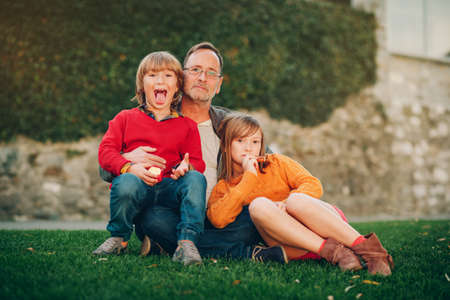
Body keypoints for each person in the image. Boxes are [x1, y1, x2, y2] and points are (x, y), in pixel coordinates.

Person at [101, 42, 287, 263]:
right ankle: (247, 253)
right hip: (172, 212)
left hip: (225, 214)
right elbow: (106, 166)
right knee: (153, 220)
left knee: (253, 219)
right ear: (183, 78)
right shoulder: (146, 117)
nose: (202, 78)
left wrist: (288, 197)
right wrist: (128, 159)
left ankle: (165, 245)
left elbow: (272, 163)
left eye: (211, 73)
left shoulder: (230, 125)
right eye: (196, 70)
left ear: (218, 85)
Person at [207, 113, 394, 276]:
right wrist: (248, 177)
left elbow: (313, 184)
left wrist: (285, 203)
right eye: (240, 141)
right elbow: (218, 219)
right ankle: (337, 253)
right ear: (226, 146)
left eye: (255, 142)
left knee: (296, 200)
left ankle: (373, 253)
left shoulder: (276, 163)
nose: (248, 148)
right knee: (259, 206)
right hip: (297, 244)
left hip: (325, 225)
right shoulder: (224, 187)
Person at [93, 51, 207, 266]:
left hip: (169, 189)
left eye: (167, 76)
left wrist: (186, 167)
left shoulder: (187, 126)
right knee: (126, 182)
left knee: (196, 179)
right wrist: (128, 166)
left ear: (177, 87)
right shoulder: (125, 118)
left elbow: (197, 163)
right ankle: (119, 238)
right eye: (152, 75)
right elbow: (106, 152)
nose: (160, 81)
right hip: (138, 187)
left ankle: (187, 243)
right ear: (142, 84)